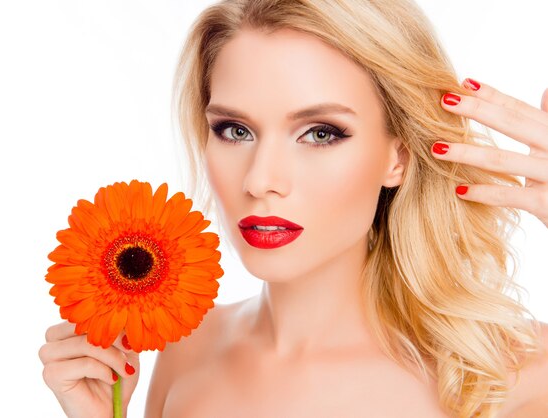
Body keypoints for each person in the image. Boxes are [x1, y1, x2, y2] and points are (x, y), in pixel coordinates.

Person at [39, 0, 548, 416]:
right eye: (234, 131)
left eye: (320, 133)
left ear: (399, 156)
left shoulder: (514, 376)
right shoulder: (183, 351)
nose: (261, 180)